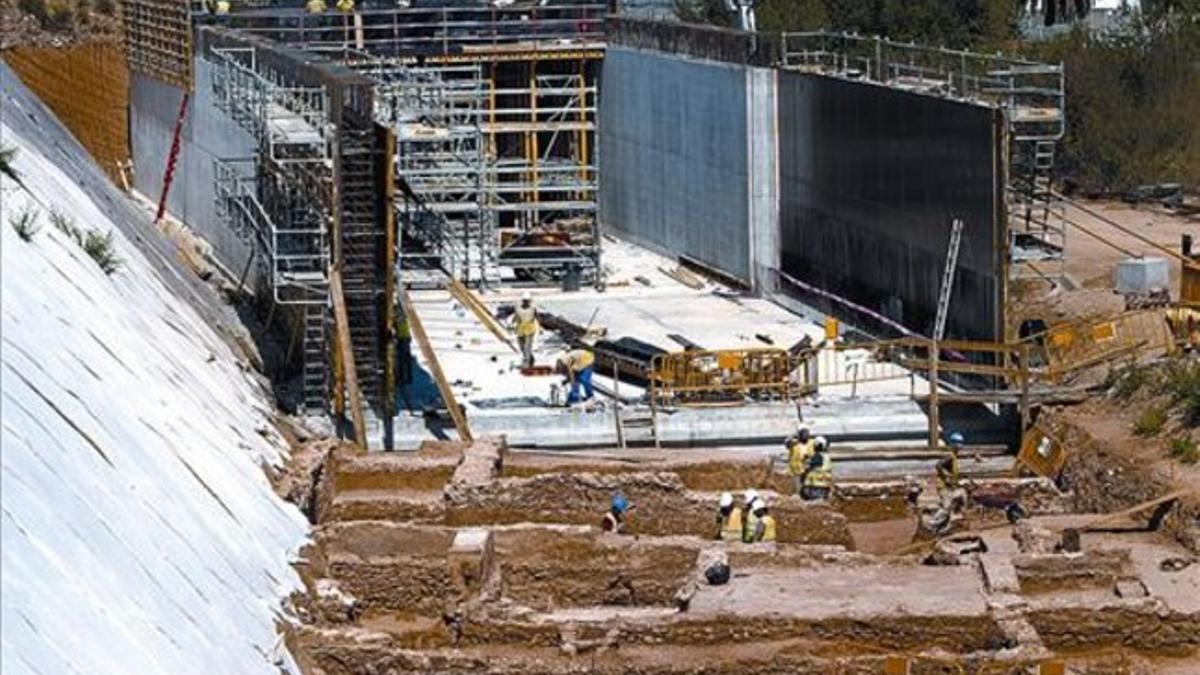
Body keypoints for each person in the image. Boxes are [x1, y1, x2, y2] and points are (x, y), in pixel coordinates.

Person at [785, 424, 815, 496]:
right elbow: (787, 443)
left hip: (808, 471)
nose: (805, 435)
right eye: (803, 433)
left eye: (806, 433)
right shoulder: (794, 443)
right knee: (798, 490)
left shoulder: (812, 443)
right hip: (796, 472)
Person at [511, 292, 539, 369]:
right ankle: (531, 358)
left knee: (527, 346)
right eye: (525, 300)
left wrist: (541, 327)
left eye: (527, 301)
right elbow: (516, 315)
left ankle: (526, 363)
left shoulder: (533, 307)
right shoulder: (517, 307)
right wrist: (512, 323)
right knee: (521, 346)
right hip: (520, 328)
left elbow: (537, 316)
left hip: (530, 328)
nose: (526, 302)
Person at [801, 436, 833, 501]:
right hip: (825, 485)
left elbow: (809, 467)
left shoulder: (817, 456)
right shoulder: (827, 457)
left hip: (814, 486)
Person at [937, 432, 964, 504]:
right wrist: (947, 475)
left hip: (951, 486)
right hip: (944, 486)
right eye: (958, 443)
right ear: (953, 444)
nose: (960, 445)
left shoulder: (954, 456)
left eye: (961, 442)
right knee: (946, 507)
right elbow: (939, 465)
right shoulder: (949, 455)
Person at [393, 307, 412, 389]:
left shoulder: (399, 317)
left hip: (403, 339)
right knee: (404, 359)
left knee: (401, 360)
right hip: (404, 338)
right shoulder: (402, 316)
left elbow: (400, 326)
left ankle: (403, 378)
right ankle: (405, 377)